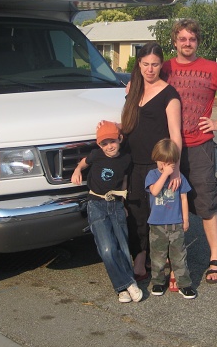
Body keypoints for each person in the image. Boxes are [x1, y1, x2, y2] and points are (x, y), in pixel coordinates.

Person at [162, 18, 217, 284]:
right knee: (169, 202)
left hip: (200, 147)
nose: (187, 43)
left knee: (206, 204)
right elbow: (144, 87)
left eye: (192, 39)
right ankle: (171, 256)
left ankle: (215, 258)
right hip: (170, 147)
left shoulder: (211, 68)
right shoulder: (164, 68)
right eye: (182, 39)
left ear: (197, 42)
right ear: (175, 42)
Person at [120, 42, 182, 282]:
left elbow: (175, 135)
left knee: (160, 214)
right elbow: (129, 124)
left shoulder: (169, 94)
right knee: (136, 213)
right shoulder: (132, 90)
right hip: (133, 163)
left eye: (155, 65)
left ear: (161, 65)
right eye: (145, 64)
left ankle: (164, 259)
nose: (149, 69)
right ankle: (140, 258)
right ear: (139, 64)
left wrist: (174, 169)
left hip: (158, 167)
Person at [71, 121, 143, 303]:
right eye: (104, 143)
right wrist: (77, 170)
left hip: (116, 204)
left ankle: (123, 290)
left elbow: (124, 181)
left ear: (120, 139)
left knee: (123, 247)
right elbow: (84, 162)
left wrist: (123, 204)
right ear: (99, 145)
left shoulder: (126, 159)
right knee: (107, 248)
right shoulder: (96, 155)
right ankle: (128, 284)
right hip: (96, 204)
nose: (109, 146)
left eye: (112, 141)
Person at [145, 138, 197, 299]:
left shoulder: (179, 178)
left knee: (179, 256)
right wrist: (165, 174)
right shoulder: (152, 175)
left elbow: (183, 198)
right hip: (157, 224)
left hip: (176, 223)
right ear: (156, 159)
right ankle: (158, 282)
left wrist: (185, 219)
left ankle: (184, 284)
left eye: (169, 163)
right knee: (158, 256)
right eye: (162, 162)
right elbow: (154, 191)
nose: (165, 166)